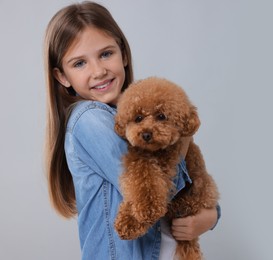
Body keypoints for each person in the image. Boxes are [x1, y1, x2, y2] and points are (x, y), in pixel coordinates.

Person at [43, 1, 220, 259]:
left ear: (123, 54)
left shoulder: (130, 116)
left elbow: (190, 189)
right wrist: (184, 139)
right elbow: (151, 194)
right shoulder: (89, 119)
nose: (99, 70)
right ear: (62, 77)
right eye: (79, 63)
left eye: (106, 54)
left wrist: (212, 216)